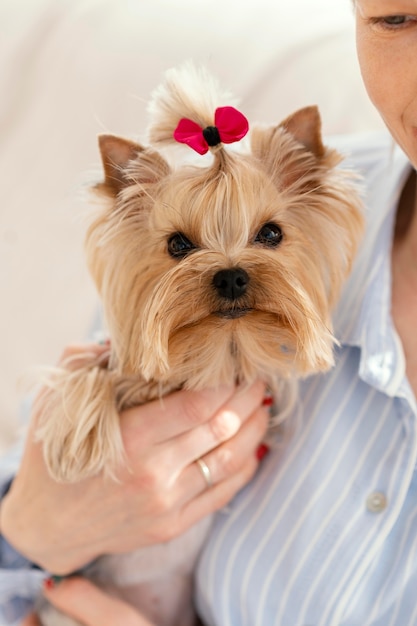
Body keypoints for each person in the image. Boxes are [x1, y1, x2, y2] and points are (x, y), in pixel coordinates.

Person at [2, 0, 417, 623]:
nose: (228, 270)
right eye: (397, 19)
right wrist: (26, 531)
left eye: (268, 237)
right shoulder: (154, 317)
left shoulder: (320, 205)